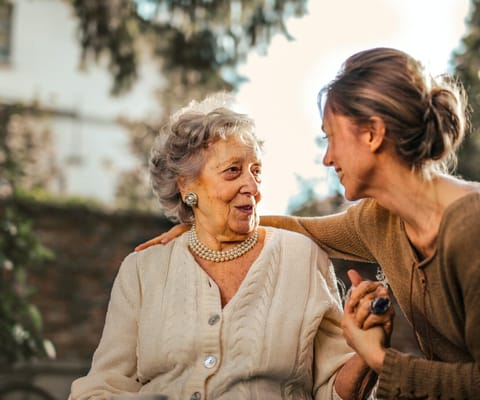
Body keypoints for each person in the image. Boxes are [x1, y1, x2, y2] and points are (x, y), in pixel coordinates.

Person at [136, 48, 480, 399]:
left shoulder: (471, 228)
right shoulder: (379, 221)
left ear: (373, 134)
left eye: (331, 137)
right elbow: (303, 227)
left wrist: (379, 358)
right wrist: (206, 222)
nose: (328, 158)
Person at [69, 94, 389, 399]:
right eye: (233, 171)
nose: (252, 187)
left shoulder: (302, 258)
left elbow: (334, 391)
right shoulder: (142, 270)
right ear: (187, 186)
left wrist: (366, 353)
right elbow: (104, 385)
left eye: (257, 171)